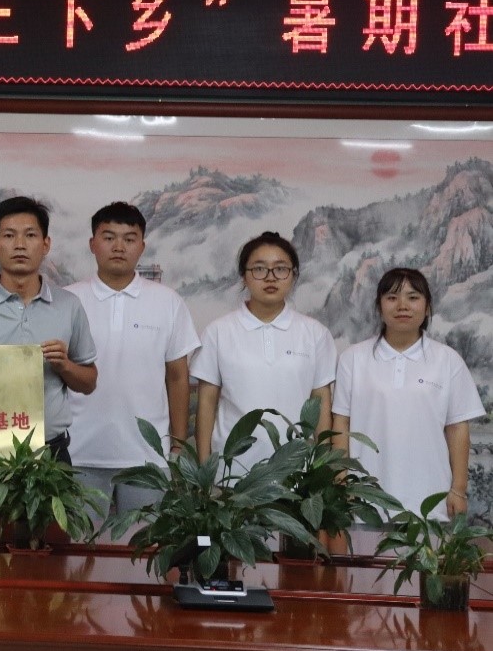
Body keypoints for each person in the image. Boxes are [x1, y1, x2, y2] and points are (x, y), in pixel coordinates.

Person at [66, 202, 199, 518]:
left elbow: (177, 377)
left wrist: (177, 444)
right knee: (78, 545)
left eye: (129, 238)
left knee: (145, 544)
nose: (118, 247)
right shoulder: (68, 299)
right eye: (109, 237)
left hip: (148, 456)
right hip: (78, 453)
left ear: (142, 246)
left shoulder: (167, 302)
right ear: (92, 244)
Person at [0, 196, 96, 462]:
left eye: (30, 235)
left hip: (51, 452)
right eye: (9, 235)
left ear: (46, 244)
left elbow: (89, 382)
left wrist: (65, 366)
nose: (20, 245)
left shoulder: (68, 305)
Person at [333, 268, 485, 520]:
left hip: (430, 498)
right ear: (379, 306)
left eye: (413, 297)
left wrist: (458, 489)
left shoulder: (447, 360)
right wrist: (341, 483)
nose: (402, 305)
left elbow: (458, 428)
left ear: (427, 307)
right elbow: (341, 423)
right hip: (364, 500)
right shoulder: (353, 359)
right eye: (392, 298)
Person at [193, 231, 335, 473]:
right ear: (244, 276)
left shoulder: (315, 334)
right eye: (259, 269)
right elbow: (206, 403)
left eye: (280, 269)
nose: (270, 277)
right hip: (232, 472)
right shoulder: (218, 332)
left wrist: (323, 469)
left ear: (293, 275)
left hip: (297, 473)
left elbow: (321, 403)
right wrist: (205, 469)